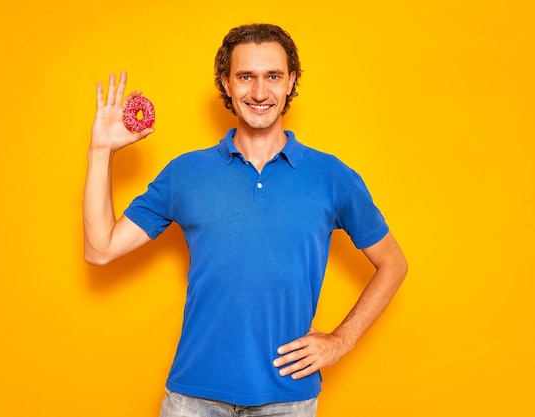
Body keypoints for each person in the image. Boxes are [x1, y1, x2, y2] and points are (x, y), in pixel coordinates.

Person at [84, 23, 407, 417]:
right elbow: (100, 249)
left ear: (290, 81)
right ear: (226, 83)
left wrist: (341, 340)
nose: (258, 92)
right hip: (192, 398)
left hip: (288, 400)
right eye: (245, 77)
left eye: (272, 76)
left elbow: (393, 262)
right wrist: (101, 151)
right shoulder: (185, 174)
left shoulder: (332, 176)